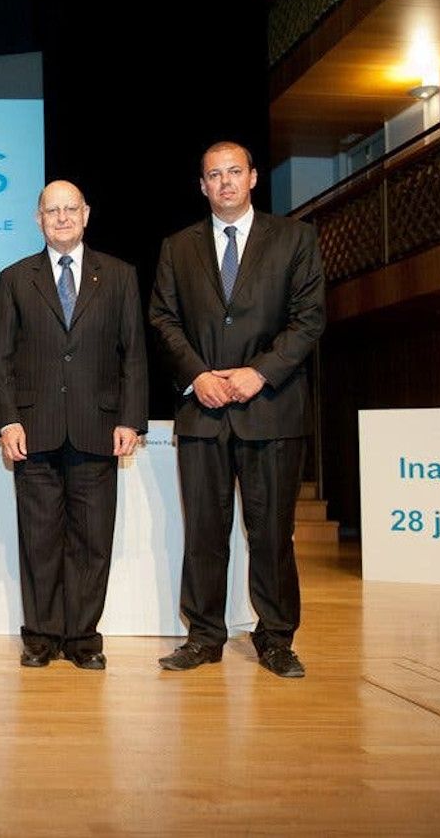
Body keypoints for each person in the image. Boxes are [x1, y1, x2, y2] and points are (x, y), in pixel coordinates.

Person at [149, 141, 325, 679]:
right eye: (213, 175)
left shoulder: (295, 239)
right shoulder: (178, 248)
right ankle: (203, 636)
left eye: (234, 172)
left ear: (252, 178)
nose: (224, 182)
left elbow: (309, 319)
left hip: (271, 409)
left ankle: (275, 639)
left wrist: (259, 373)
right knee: (203, 531)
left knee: (271, 532)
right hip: (202, 411)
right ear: (202, 186)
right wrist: (197, 375)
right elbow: (163, 319)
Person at [0, 180, 147, 670]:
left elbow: (134, 355)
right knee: (38, 540)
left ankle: (82, 637)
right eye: (51, 211)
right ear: (38, 219)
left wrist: (131, 419)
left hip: (98, 428)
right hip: (33, 431)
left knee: (92, 540)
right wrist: (7, 420)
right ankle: (40, 635)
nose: (61, 218)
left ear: (86, 214)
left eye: (70, 209)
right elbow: (1, 360)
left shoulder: (119, 276)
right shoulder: (16, 278)